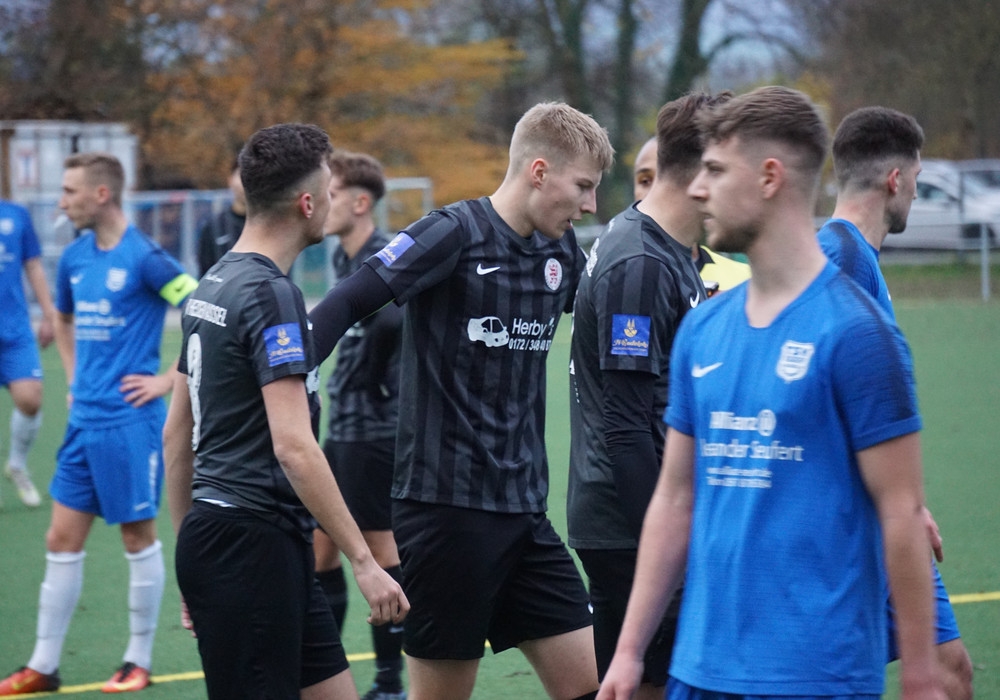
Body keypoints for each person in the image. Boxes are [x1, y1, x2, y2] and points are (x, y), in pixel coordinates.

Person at [599, 86, 946, 700]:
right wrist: (628, 653)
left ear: (769, 177)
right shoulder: (703, 329)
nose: (697, 189)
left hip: (812, 674)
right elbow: (675, 500)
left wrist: (919, 671)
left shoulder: (860, 336)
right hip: (697, 670)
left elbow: (901, 513)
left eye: (715, 170)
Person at [309, 102, 614, 700]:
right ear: (539, 171)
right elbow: (346, 301)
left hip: (526, 512)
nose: (590, 205)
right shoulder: (450, 232)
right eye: (583, 186)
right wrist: (289, 376)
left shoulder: (560, 254)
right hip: (446, 516)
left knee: (594, 687)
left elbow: (611, 314)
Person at [162, 123, 408, 700]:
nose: (331, 199)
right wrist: (364, 560)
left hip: (242, 542)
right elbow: (294, 446)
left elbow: (176, 435)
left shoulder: (213, 281)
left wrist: (189, 549)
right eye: (327, 189)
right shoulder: (271, 295)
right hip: (252, 547)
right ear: (307, 203)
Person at [0, 152, 199, 696]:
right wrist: (73, 377)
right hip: (83, 422)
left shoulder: (147, 259)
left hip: (129, 424)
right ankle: (43, 665)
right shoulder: (74, 258)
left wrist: (165, 380)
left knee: (137, 536)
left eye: (70, 191)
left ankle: (137, 660)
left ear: (102, 194)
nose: (62, 201)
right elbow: (62, 320)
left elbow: (206, 313)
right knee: (60, 537)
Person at [567, 92, 729, 700]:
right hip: (629, 525)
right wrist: (672, 547)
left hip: (645, 517)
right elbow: (626, 429)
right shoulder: (640, 262)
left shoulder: (668, 248)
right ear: (706, 168)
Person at [818, 105, 974, 700]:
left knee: (949, 671)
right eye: (917, 178)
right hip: (855, 522)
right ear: (895, 179)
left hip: (877, 513)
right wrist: (897, 506)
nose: (914, 191)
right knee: (938, 674)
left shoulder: (854, 255)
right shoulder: (841, 260)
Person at [314, 150, 407, 700]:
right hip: (345, 427)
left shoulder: (383, 255)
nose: (320, 203)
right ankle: (326, 678)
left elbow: (392, 318)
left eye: (331, 193)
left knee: (379, 547)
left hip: (373, 431)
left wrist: (371, 377)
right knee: (320, 550)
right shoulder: (342, 256)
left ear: (360, 202)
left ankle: (392, 682)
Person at [635, 136, 749, 297]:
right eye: (645, 181)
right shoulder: (618, 269)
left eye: (673, 178)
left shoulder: (744, 280)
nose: (657, 192)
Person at [0, 198, 56, 507]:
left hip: (14, 329)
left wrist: (49, 315)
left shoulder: (16, 214)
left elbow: (33, 265)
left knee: (30, 399)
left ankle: (17, 465)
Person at [196, 157, 246, 276]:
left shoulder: (271, 226)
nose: (246, 182)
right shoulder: (214, 227)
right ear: (230, 180)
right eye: (242, 175)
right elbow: (205, 274)